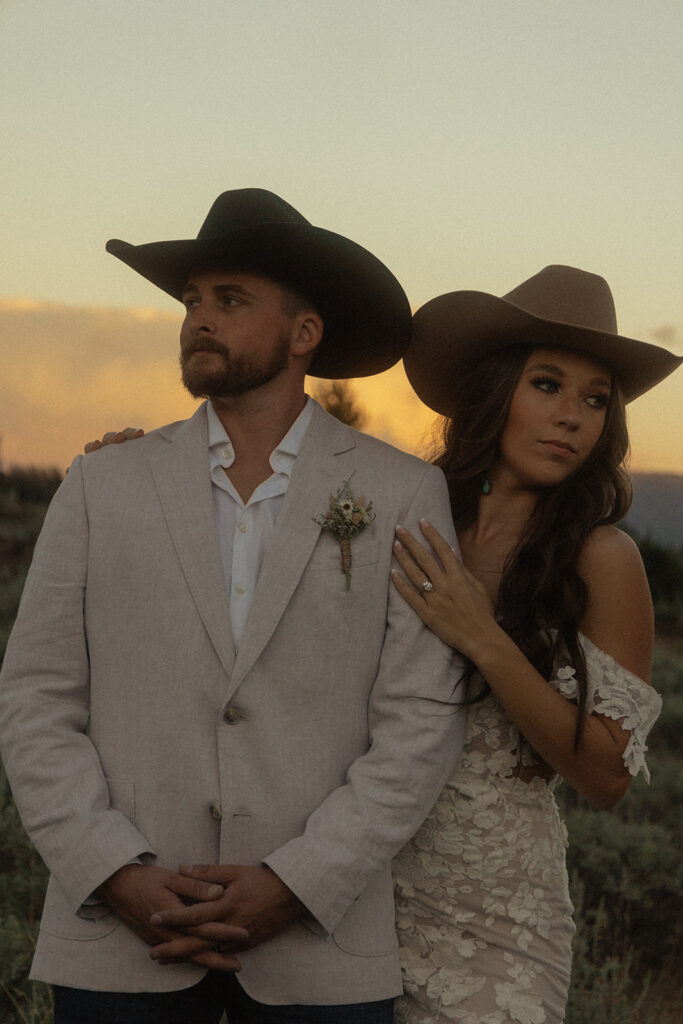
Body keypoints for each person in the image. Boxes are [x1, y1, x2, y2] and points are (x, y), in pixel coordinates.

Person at [0, 189, 467, 1024]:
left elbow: (420, 720)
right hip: (122, 942)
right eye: (190, 301)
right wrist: (114, 872)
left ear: (303, 333)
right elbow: (35, 698)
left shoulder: (400, 491)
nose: (197, 319)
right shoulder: (101, 485)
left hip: (319, 950)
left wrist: (296, 883)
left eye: (229, 299)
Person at [388, 265, 681, 1023]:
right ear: (493, 393)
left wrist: (483, 639)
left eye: (594, 399)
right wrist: (136, 464)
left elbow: (607, 777)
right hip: (355, 897)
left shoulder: (599, 557)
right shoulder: (411, 520)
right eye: (547, 385)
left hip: (495, 927)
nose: (573, 417)